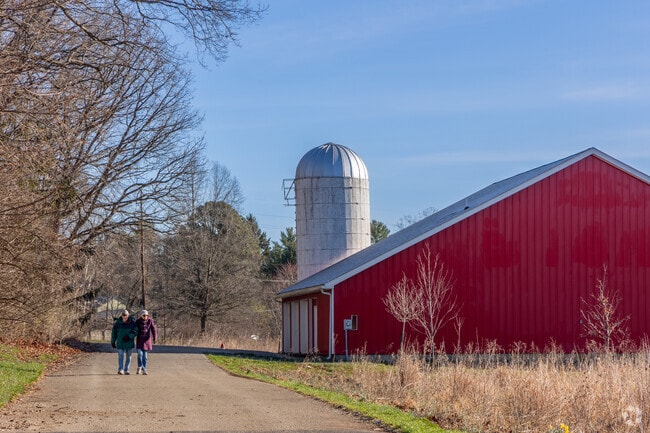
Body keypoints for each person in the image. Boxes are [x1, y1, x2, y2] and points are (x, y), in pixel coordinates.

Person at [111, 309, 137, 375]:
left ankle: (126, 369)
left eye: (126, 315)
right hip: (120, 342)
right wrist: (113, 342)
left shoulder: (133, 323)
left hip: (129, 342)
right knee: (120, 355)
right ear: (121, 316)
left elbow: (136, 331)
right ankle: (120, 369)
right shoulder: (117, 324)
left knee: (129, 357)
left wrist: (129, 336)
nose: (125, 316)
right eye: (123, 315)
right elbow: (113, 333)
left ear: (128, 315)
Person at [135, 309, 157, 375]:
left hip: (147, 341)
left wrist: (155, 337)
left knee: (145, 357)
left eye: (146, 315)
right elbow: (134, 330)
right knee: (140, 354)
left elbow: (153, 329)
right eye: (144, 315)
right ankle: (139, 367)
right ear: (141, 315)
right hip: (139, 341)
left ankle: (144, 369)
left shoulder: (150, 321)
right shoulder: (138, 321)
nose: (145, 317)